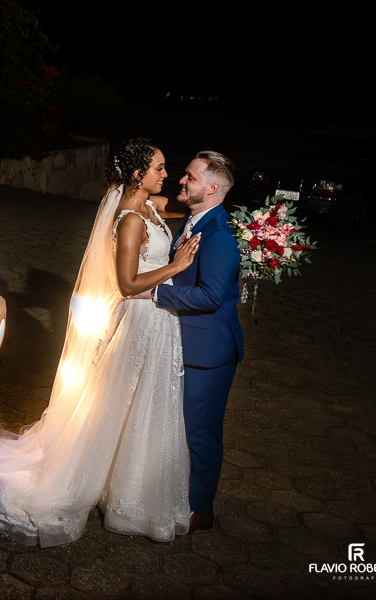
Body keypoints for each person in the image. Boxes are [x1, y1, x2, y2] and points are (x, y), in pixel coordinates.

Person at [0, 139, 200, 546]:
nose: (165, 174)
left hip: (158, 320)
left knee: (146, 400)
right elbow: (127, 284)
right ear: (137, 174)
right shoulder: (130, 220)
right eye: (158, 168)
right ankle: (95, 485)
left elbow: (174, 210)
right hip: (139, 320)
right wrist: (176, 266)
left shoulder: (150, 207)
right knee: (122, 399)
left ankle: (130, 483)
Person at [150, 151, 243, 533]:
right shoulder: (194, 221)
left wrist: (154, 293)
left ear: (213, 187)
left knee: (200, 432)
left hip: (208, 352)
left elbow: (210, 296)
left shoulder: (221, 235)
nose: (182, 181)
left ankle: (200, 510)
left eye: (190, 177)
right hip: (183, 342)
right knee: (176, 426)